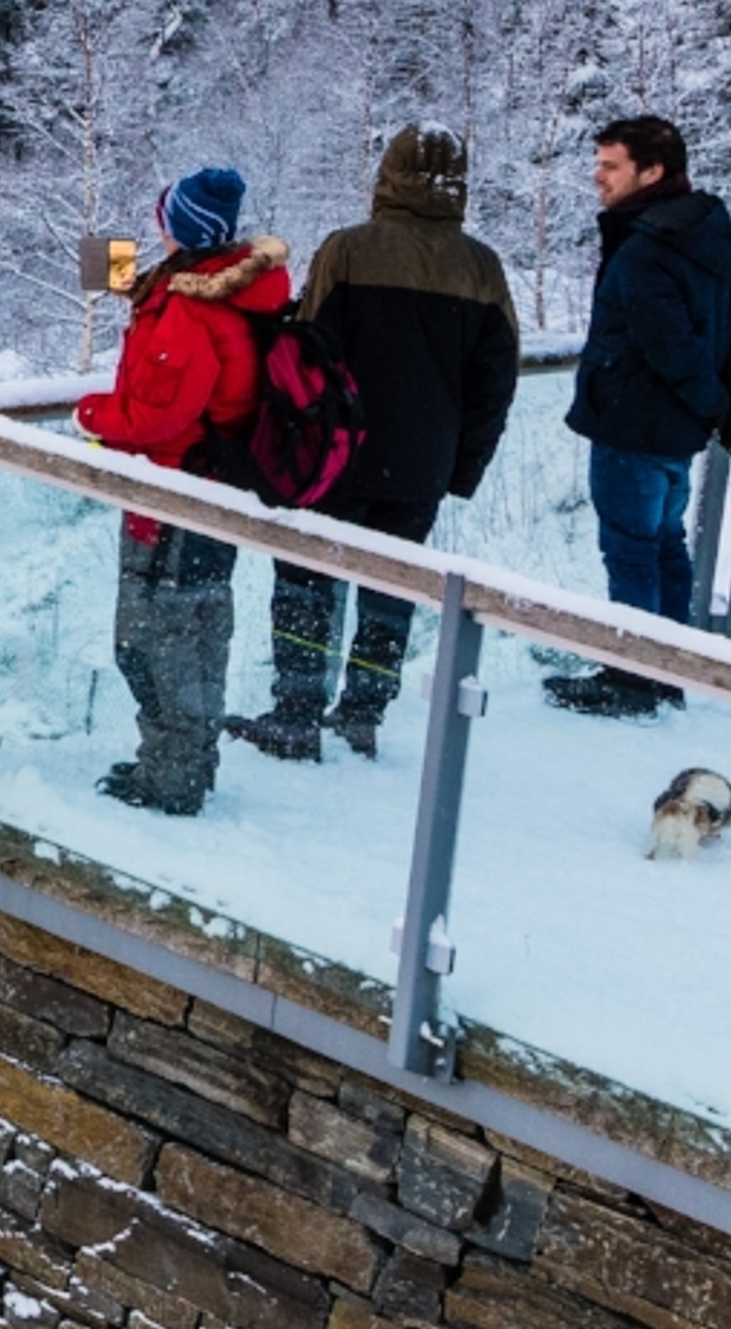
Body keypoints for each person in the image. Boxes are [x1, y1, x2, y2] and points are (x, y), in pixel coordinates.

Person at [226, 127, 519, 763]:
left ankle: (296, 712)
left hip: (338, 454)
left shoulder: (348, 251)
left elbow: (305, 353)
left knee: (306, 577)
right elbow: (496, 382)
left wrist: (284, 452)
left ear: (387, 174)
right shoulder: (482, 267)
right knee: (391, 587)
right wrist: (460, 468)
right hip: (423, 465)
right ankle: (361, 714)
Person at [77, 166, 287, 815]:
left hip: (172, 499)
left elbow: (156, 415)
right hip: (210, 492)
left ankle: (169, 782)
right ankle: (185, 766)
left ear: (183, 229)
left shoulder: (191, 311)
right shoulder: (230, 291)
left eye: (164, 217)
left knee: (150, 642)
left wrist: (92, 414)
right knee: (197, 632)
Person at [558, 113, 731, 716]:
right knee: (665, 544)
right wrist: (724, 410)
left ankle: (630, 678)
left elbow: (666, 342)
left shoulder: (648, 248)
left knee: (631, 549)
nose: (597, 176)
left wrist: (714, 404)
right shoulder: (706, 229)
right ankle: (665, 671)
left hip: (632, 421)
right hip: (674, 430)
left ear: (652, 172)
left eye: (610, 165)